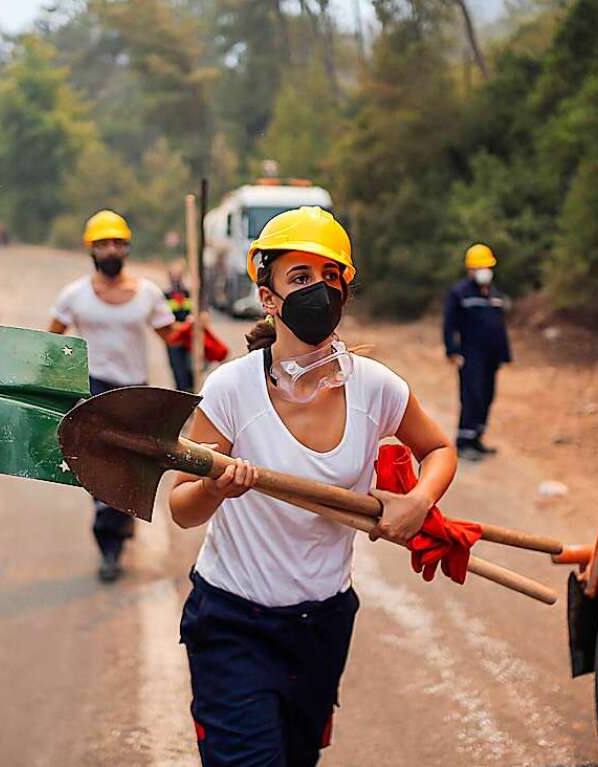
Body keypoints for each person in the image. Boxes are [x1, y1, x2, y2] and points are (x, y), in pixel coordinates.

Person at [168, 206, 457, 766]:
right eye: (300, 278)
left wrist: (419, 503)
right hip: (233, 624)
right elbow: (182, 506)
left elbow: (439, 450)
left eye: (331, 278)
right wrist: (215, 490)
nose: (319, 292)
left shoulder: (376, 388)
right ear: (268, 296)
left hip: (322, 626)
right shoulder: (230, 390)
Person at [48, 209, 179, 582]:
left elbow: (173, 338)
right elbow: (51, 342)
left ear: (126, 248)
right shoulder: (74, 295)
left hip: (135, 395)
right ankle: (110, 547)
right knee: (104, 474)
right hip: (93, 392)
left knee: (133, 472)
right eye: (102, 244)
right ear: (91, 249)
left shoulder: (149, 295)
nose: (110, 250)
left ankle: (121, 523)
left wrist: (194, 331)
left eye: (116, 244)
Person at [443, 243, 512, 461]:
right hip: (471, 355)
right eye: (479, 267)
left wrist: (504, 353)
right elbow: (449, 324)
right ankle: (463, 443)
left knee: (487, 397)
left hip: (491, 356)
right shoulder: (460, 293)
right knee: (472, 396)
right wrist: (452, 350)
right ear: (470, 269)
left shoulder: (494, 293)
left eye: (487, 266)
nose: (484, 271)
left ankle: (477, 438)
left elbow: (500, 325)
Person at [164, 257, 194, 391]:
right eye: (174, 275)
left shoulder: (188, 293)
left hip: (188, 339)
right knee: (178, 371)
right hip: (174, 340)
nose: (176, 278)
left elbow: (194, 312)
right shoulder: (165, 295)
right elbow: (164, 321)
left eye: (179, 275)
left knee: (190, 371)